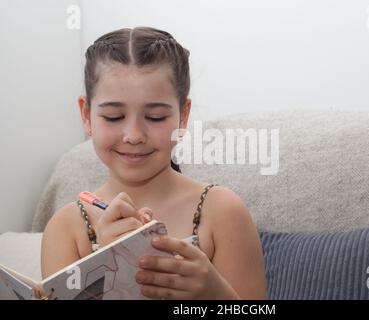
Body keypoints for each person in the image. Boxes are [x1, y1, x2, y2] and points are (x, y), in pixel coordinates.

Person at [41, 27, 267, 300]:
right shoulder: (67, 228)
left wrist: (213, 292)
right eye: (113, 117)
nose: (134, 135)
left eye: (156, 117)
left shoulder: (222, 211)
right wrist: (105, 266)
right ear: (86, 115)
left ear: (183, 117)